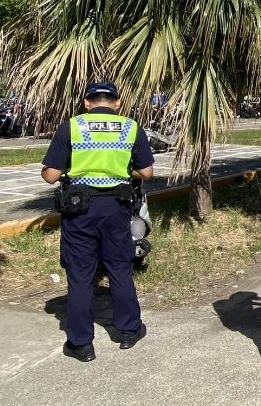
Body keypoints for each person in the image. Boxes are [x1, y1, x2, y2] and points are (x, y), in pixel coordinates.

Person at [41, 82, 154, 363]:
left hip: (79, 209)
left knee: (80, 274)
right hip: (116, 207)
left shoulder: (72, 126)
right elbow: (147, 172)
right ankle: (128, 331)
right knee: (119, 267)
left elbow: (51, 176)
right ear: (117, 103)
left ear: (87, 103)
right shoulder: (130, 127)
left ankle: (81, 344)